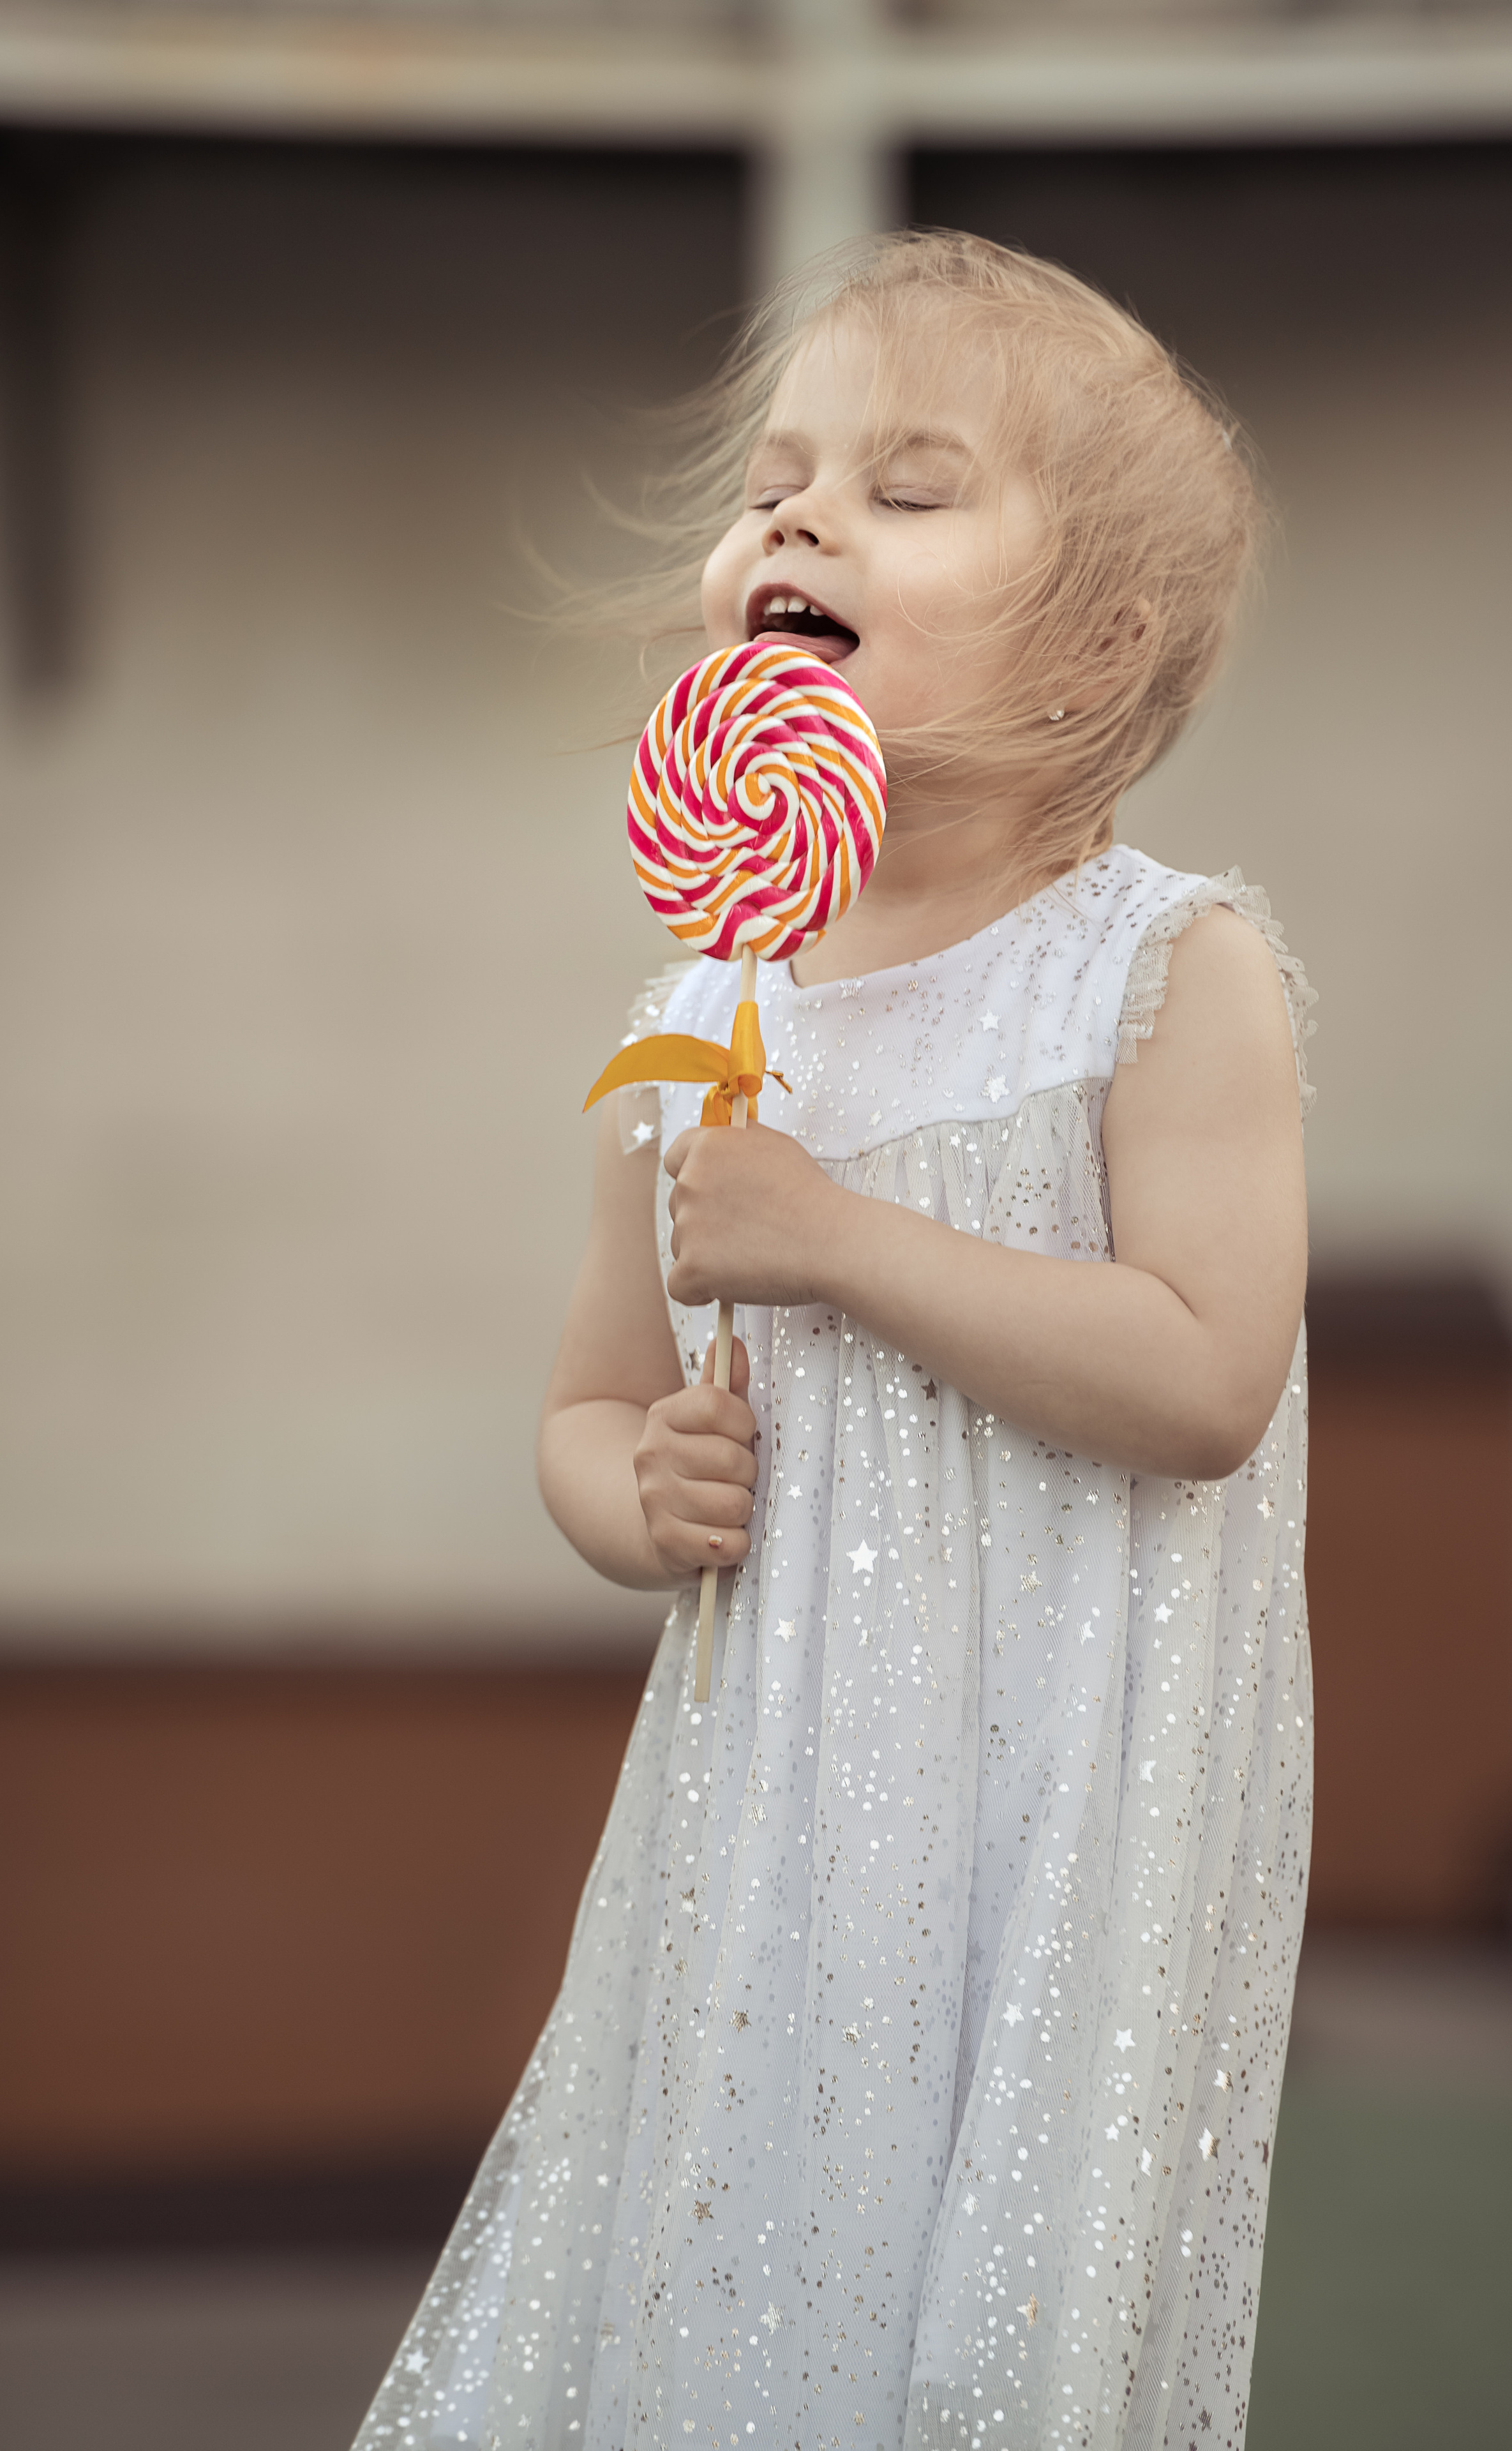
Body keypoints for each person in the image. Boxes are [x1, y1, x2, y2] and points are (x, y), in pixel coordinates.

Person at [355, 232, 1315, 2451]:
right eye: (777, 477)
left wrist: (839, 1236)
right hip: (774, 1824)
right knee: (732, 2291)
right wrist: (634, 1493)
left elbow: (1203, 1381)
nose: (793, 517)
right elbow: (591, 1408)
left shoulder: (1163, 976)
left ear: (1101, 649)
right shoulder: (704, 1021)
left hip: (1063, 1814)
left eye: (906, 484)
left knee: (984, 2335)